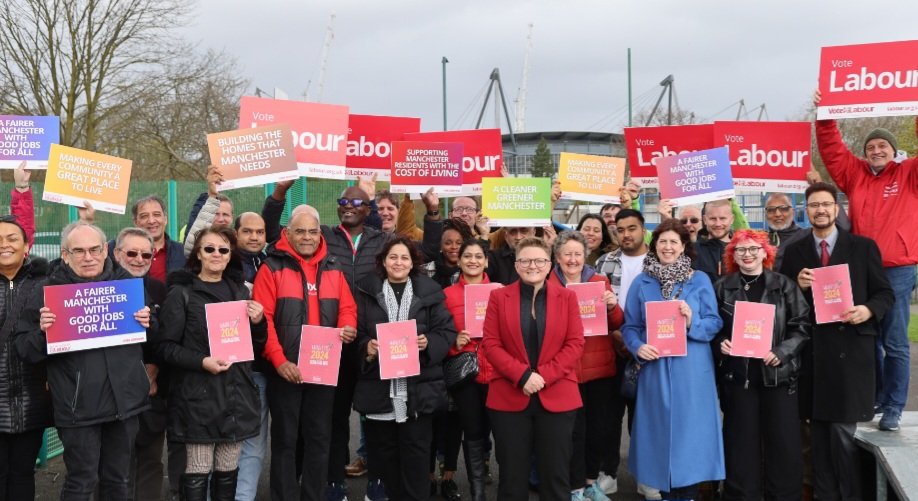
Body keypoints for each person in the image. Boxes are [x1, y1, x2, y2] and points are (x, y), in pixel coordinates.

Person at [15, 221, 153, 500]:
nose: (88, 257)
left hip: (125, 404)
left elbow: (155, 337)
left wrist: (151, 322)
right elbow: (25, 349)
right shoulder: (47, 292)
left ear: (105, 251)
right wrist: (44, 332)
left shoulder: (127, 286)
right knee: (81, 482)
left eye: (93, 249)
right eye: (78, 251)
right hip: (78, 408)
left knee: (119, 480)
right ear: (65, 255)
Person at [780, 182, 894, 500]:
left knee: (845, 437)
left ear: (836, 208)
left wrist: (868, 310)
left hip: (851, 354)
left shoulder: (863, 247)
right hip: (813, 357)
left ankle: (854, 496)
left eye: (826, 204)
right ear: (806, 211)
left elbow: (885, 293)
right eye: (814, 205)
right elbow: (783, 305)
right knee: (818, 439)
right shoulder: (795, 252)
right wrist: (794, 285)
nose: (820, 210)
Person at [813, 91, 917, 432]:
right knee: (864, 337)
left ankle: (893, 406)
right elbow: (832, 149)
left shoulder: (909, 174)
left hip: (899, 267)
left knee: (895, 341)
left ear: (893, 150)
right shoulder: (854, 174)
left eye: (882, 146)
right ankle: (874, 395)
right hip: (861, 268)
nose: (876, 151)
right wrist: (825, 114)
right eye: (871, 147)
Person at [253, 206, 358, 501]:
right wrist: (279, 360)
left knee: (319, 439)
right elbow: (265, 321)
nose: (308, 237)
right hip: (285, 369)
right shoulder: (271, 268)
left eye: (313, 231)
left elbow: (348, 308)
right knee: (285, 441)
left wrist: (348, 327)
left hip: (323, 369)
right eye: (300, 231)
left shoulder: (334, 266)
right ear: (287, 233)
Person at [155, 226, 266, 501]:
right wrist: (201, 361)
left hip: (236, 394)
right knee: (198, 469)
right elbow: (164, 348)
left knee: (228, 470)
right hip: (197, 396)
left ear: (230, 256)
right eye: (209, 249)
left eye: (223, 249)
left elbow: (256, 347)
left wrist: (259, 322)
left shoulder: (241, 292)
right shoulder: (182, 293)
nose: (216, 254)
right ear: (198, 254)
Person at [622, 218, 725, 500]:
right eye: (663, 241)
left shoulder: (699, 279)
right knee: (658, 435)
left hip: (692, 370)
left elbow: (714, 322)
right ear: (655, 245)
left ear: (683, 248)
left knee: (690, 438)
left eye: (674, 242)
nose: (668, 247)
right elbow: (630, 326)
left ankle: (689, 494)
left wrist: (692, 322)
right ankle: (665, 494)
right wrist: (637, 346)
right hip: (655, 369)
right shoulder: (641, 282)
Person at [353, 236, 456, 501]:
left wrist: (428, 342)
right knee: (383, 461)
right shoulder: (364, 292)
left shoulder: (430, 292)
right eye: (393, 257)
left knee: (417, 460)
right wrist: (367, 348)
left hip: (418, 393)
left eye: (405, 258)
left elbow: (446, 332)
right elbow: (355, 334)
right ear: (383, 261)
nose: (399, 262)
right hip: (379, 390)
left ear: (413, 263)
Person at [482, 237, 585, 501]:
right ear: (516, 265)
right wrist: (523, 376)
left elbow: (575, 344)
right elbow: (491, 344)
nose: (532, 265)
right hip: (509, 397)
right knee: (512, 479)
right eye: (525, 260)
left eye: (539, 260)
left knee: (555, 478)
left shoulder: (568, 297)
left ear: (550, 264)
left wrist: (544, 377)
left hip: (558, 396)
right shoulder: (498, 297)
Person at [713, 229, 810, 501]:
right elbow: (712, 327)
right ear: (733, 255)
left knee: (784, 445)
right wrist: (720, 343)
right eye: (741, 249)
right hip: (739, 377)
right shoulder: (722, 287)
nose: (748, 254)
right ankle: (742, 496)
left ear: (765, 253)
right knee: (741, 445)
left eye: (754, 249)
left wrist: (782, 351)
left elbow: (801, 326)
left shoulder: (784, 285)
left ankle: (785, 496)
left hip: (778, 377)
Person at [547, 231, 623, 501]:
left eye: (577, 253)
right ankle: (575, 487)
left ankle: (591, 482)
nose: (572, 259)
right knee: (572, 433)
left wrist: (613, 306)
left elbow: (616, 323)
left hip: (599, 369)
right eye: (567, 253)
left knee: (597, 430)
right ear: (557, 257)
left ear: (585, 255)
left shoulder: (600, 281)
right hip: (565, 371)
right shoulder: (548, 284)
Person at [111, 227, 172, 501]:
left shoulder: (159, 289)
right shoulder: (98, 288)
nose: (138, 259)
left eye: (145, 254)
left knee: (149, 461)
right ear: (115, 253)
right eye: (131, 253)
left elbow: (168, 338)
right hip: (109, 396)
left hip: (150, 393)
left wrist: (155, 368)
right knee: (112, 466)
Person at [592, 208, 649, 498]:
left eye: (632, 228)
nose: (626, 234)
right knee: (608, 416)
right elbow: (594, 307)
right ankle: (608, 472)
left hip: (648, 350)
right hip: (612, 346)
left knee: (645, 417)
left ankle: (645, 475)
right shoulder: (605, 261)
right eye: (620, 229)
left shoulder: (658, 260)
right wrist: (616, 334)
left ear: (643, 229)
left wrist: (638, 340)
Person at [0, 215, 51, 500]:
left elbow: (90, 271)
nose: (4, 245)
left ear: (26, 246)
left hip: (31, 400)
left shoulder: (46, 284)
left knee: (22, 474)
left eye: (11, 239)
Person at [442, 239, 496, 501]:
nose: (473, 260)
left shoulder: (501, 291)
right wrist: (454, 343)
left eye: (478, 256)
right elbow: (440, 334)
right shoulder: (447, 294)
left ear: (486, 261)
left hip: (498, 373)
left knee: (502, 431)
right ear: (459, 260)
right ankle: (477, 493)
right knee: (472, 431)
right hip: (467, 375)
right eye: (467, 256)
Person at [123, 195, 186, 283]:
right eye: (144, 216)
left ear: (165, 219)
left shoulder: (183, 253)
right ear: (136, 222)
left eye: (156, 215)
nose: (151, 221)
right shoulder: (121, 253)